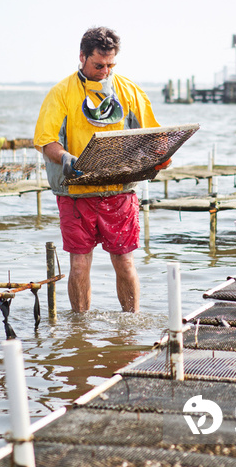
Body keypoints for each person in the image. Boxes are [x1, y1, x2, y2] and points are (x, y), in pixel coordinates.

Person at [34, 26, 168, 313]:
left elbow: (152, 137)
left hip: (118, 191)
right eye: (98, 65)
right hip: (75, 193)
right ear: (82, 57)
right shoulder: (60, 93)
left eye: (110, 65)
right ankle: (80, 330)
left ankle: (131, 324)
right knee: (79, 264)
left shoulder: (129, 91)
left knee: (125, 261)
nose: (105, 71)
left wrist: (161, 154)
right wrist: (66, 158)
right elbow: (46, 141)